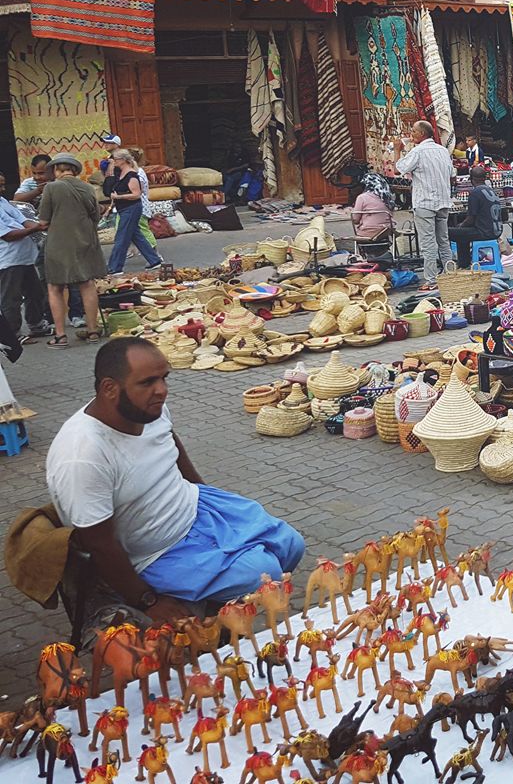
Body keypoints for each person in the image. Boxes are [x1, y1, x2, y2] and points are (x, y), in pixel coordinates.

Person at [46, 338, 305, 619]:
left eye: (164, 378)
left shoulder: (147, 409)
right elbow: (99, 543)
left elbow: (169, 441)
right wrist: (148, 601)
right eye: (147, 382)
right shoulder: (83, 454)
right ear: (109, 388)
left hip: (194, 506)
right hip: (156, 550)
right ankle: (215, 626)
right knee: (262, 574)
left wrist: (206, 492)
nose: (161, 391)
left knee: (291, 544)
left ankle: (218, 607)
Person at [35, 153, 104, 344]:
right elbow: (95, 216)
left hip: (59, 244)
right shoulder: (88, 188)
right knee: (87, 284)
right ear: (74, 170)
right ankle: (92, 331)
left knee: (55, 287)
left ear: (57, 170)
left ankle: (60, 335)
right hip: (85, 241)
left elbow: (43, 221)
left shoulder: (51, 188)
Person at [393, 121, 455, 288]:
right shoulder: (442, 151)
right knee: (443, 240)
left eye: (413, 131)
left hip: (425, 202)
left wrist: (398, 150)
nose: (411, 133)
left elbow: (398, 169)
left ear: (422, 134)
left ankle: (432, 280)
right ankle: (450, 274)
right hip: (443, 201)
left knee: (428, 243)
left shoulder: (418, 151)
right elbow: (451, 173)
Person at [0, 172, 48, 344]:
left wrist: (39, 225)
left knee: (35, 292)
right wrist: (34, 229)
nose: (3, 188)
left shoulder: (3, 202)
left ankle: (36, 325)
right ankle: (13, 335)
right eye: (0, 185)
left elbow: (23, 220)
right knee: (10, 299)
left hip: (25, 257)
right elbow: (9, 235)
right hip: (8, 260)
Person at [102, 150, 162, 275]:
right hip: (123, 208)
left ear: (123, 160)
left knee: (122, 238)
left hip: (131, 208)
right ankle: (154, 260)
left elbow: (136, 194)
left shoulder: (132, 175)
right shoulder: (119, 173)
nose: (115, 162)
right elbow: (110, 189)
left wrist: (118, 198)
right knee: (137, 235)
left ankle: (115, 267)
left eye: (116, 160)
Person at [451, 166, 503, 259]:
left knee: (453, 233)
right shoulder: (492, 191)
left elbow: (470, 219)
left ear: (471, 179)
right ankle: (465, 262)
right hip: (497, 231)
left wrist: (460, 225)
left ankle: (463, 264)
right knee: (463, 233)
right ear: (485, 178)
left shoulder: (475, 193)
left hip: (484, 232)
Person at [350, 175, 395, 244]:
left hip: (367, 233)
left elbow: (355, 220)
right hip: (385, 232)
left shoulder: (362, 197)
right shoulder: (387, 197)